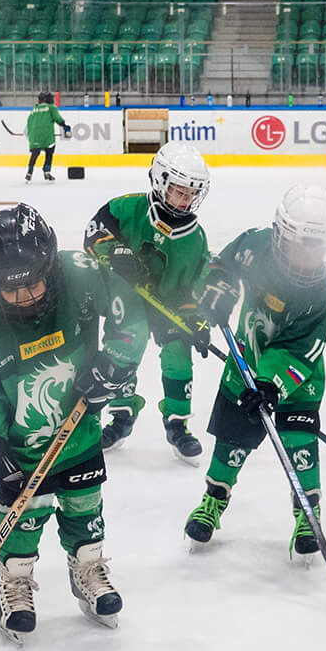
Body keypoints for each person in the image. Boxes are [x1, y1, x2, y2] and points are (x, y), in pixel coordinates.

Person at [0, 205, 141, 640]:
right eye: (11, 291)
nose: (27, 298)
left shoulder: (79, 273)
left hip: (78, 429)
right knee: (25, 514)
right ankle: (14, 578)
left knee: (85, 503)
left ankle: (88, 567)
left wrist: (115, 366)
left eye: (35, 284)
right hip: (24, 445)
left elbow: (129, 315)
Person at [182, 182, 326, 564]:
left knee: (300, 446)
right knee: (231, 442)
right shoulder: (256, 244)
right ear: (281, 236)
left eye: (317, 247)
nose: (309, 256)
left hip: (295, 380)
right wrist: (218, 287)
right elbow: (220, 264)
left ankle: (308, 513)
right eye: (301, 245)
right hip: (245, 363)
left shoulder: (323, 292)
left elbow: (301, 349)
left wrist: (271, 385)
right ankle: (213, 499)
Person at [83, 142, 214, 460]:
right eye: (179, 192)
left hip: (168, 304)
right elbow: (93, 236)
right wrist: (113, 251)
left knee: (178, 352)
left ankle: (177, 424)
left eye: (191, 194)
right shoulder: (126, 208)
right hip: (126, 299)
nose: (186, 201)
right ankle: (122, 416)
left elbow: (197, 284)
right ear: (160, 182)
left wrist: (197, 317)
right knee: (124, 348)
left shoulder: (195, 238)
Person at [25, 91, 70, 182]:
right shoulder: (51, 107)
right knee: (49, 150)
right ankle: (46, 171)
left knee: (35, 152)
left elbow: (29, 122)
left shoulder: (34, 109)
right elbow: (58, 119)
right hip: (46, 135)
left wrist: (31, 135)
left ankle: (29, 172)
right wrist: (65, 127)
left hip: (34, 135)